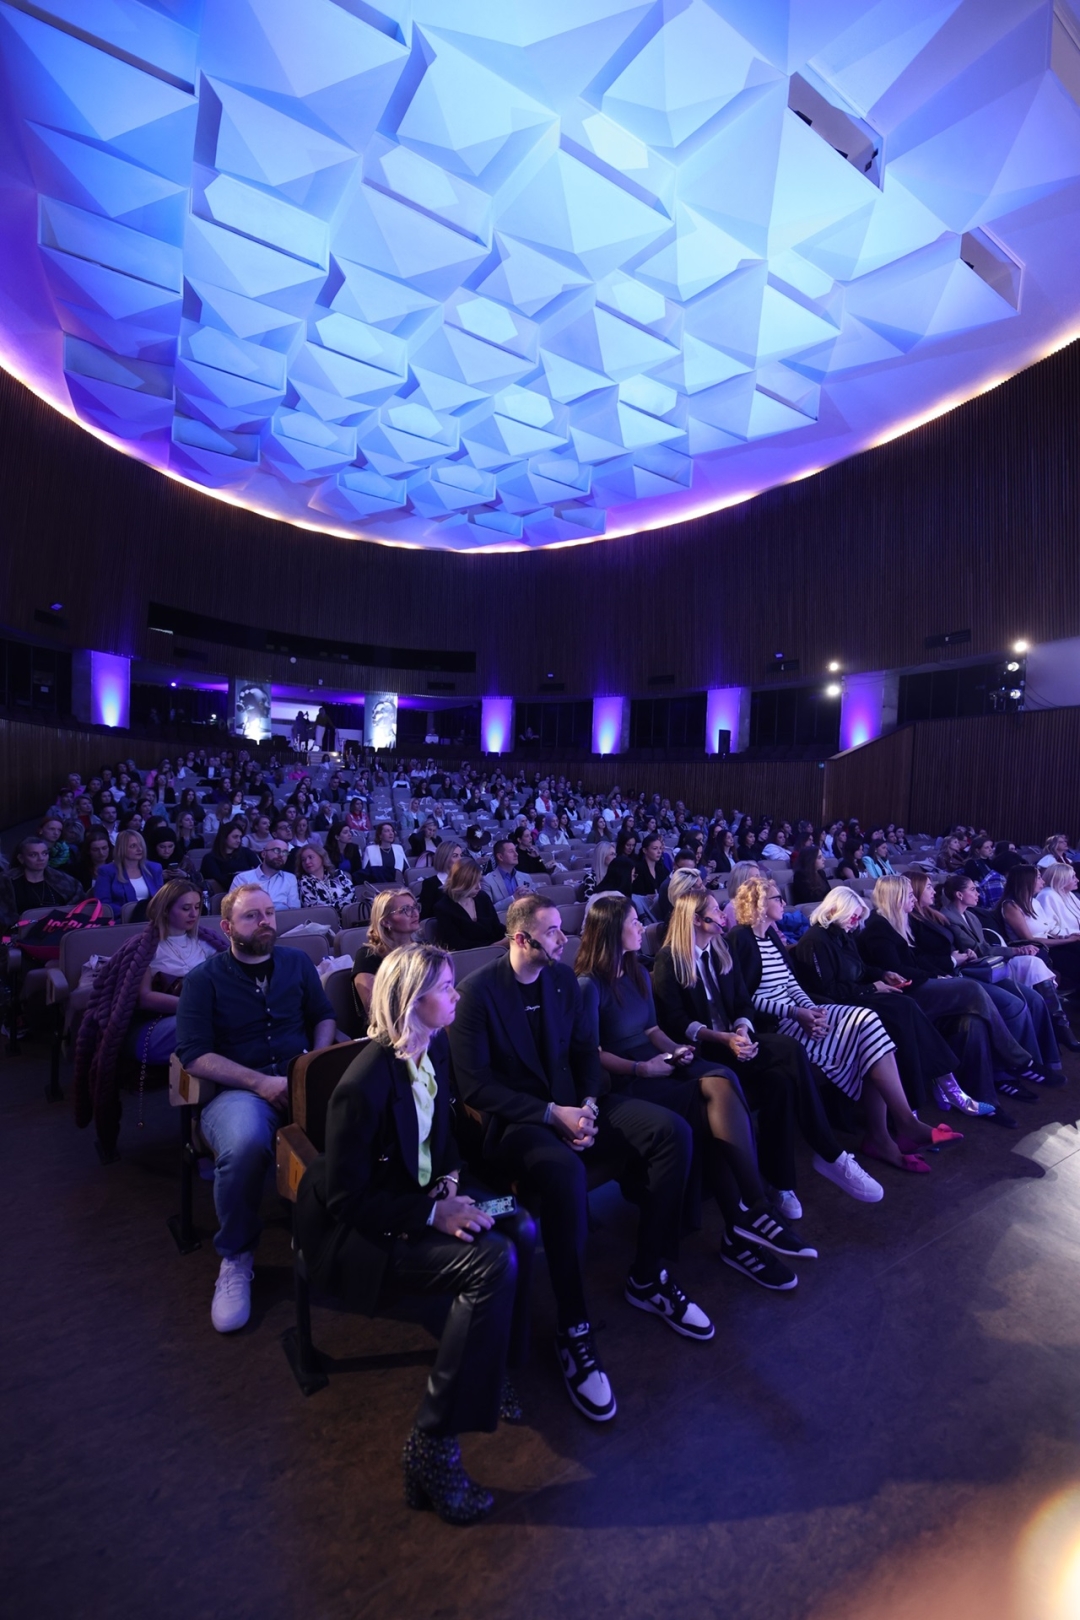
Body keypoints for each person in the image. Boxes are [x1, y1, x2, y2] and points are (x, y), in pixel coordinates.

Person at [297, 944, 536, 1524]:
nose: (457, 994)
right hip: (368, 1228)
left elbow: (444, 1135)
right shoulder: (363, 1085)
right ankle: (431, 1445)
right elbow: (348, 1199)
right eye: (446, 987)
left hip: (431, 1193)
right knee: (491, 1262)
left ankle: (494, 1362)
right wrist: (434, 1215)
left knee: (520, 1222)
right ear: (411, 1001)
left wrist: (452, 1182)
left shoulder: (435, 1047)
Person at [449, 893, 710, 1423]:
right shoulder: (476, 995)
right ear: (521, 939)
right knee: (566, 1173)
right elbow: (476, 1088)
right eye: (550, 932)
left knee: (673, 1132)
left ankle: (648, 1274)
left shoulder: (565, 981)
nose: (562, 938)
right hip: (518, 1125)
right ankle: (573, 1329)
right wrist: (552, 1115)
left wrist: (588, 1106)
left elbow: (584, 1055)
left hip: (579, 1104)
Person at [578, 895, 815, 1291]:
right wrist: (643, 1066)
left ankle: (745, 1223)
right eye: (633, 923)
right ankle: (750, 1216)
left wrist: (673, 1050)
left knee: (721, 1078)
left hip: (658, 1064)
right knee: (715, 1091)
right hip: (626, 1080)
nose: (641, 928)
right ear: (610, 932)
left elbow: (653, 1031)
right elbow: (590, 1053)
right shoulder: (589, 985)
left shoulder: (636, 971)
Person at [655, 890, 883, 1209]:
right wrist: (725, 1039)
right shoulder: (670, 959)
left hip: (736, 1039)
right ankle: (830, 1153)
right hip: (704, 1051)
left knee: (781, 1082)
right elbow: (677, 1022)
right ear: (695, 919)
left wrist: (742, 1030)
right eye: (716, 911)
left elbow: (741, 1003)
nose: (724, 915)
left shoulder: (720, 950)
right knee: (789, 1050)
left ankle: (781, 1184)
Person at [175, 885, 336, 1333]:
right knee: (245, 1144)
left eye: (269, 913)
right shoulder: (203, 980)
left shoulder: (296, 963)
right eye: (252, 916)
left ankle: (348, 1235)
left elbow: (323, 1016)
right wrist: (261, 1083)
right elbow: (193, 1055)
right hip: (239, 1089)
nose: (265, 921)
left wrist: (311, 1067)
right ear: (227, 927)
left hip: (299, 1076)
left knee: (361, 1116)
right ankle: (236, 1257)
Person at [729, 876, 949, 1172]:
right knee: (868, 1021)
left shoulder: (772, 937)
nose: (782, 903)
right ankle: (896, 1128)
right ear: (758, 904)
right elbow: (745, 998)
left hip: (798, 1013)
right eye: (776, 899)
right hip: (774, 1025)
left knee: (870, 1025)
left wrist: (813, 1011)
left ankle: (893, 1129)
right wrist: (799, 1015)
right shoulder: (740, 939)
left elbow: (793, 985)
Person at [792, 886, 991, 1116]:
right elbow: (825, 990)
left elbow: (860, 968)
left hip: (859, 995)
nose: (856, 922)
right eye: (854, 916)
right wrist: (872, 987)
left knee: (906, 1009)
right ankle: (930, 1099)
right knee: (902, 1014)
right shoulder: (814, 941)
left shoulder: (842, 933)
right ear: (836, 910)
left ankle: (941, 1092)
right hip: (840, 1005)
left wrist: (882, 974)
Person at [863, 876, 1039, 1115]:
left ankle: (985, 1097)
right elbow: (898, 971)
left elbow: (917, 961)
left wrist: (936, 974)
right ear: (897, 897)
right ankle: (1015, 1056)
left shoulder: (900, 921)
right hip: (907, 995)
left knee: (973, 1022)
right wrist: (935, 977)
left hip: (921, 984)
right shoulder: (879, 926)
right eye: (910, 895)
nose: (914, 899)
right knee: (971, 988)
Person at [72, 881, 225, 1151]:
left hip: (203, 1020)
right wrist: (194, 1005)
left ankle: (212, 1124)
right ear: (165, 910)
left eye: (198, 907)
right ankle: (205, 1131)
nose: (193, 914)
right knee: (201, 1026)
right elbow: (144, 998)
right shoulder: (145, 947)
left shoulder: (208, 942)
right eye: (185, 908)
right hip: (152, 1026)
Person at [941, 872, 1078, 1054]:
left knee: (1034, 966)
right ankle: (1056, 1033)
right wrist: (1015, 950)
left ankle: (1059, 1029)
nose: (978, 894)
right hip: (977, 968)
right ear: (959, 895)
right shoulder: (949, 917)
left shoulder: (971, 916)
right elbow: (977, 948)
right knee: (1033, 966)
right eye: (973, 890)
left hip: (992, 960)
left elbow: (984, 946)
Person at [1000, 864, 1080, 993]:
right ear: (1026, 880)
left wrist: (1068, 937)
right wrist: (1068, 940)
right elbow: (1030, 940)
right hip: (1035, 949)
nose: (1043, 881)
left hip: (1048, 945)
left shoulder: (1034, 902)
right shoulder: (1011, 906)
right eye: (1038, 878)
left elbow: (1048, 930)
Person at [352, 888, 422, 1025]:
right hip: (390, 1030)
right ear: (385, 922)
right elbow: (375, 1011)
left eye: (415, 907)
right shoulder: (368, 956)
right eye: (405, 910)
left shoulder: (423, 949)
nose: (414, 913)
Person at [0, 835, 85, 929]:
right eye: (33, 855)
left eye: (45, 853)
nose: (41, 858)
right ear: (21, 858)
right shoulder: (6, 881)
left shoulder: (64, 881)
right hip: (18, 933)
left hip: (57, 931)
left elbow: (79, 905)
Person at [433, 858, 504, 951]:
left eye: (479, 881)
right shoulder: (444, 908)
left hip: (496, 952)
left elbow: (497, 928)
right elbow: (455, 945)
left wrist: (512, 935)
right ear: (461, 882)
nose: (479, 887)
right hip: (469, 959)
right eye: (473, 883)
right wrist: (495, 946)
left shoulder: (483, 898)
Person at [93, 830, 163, 911]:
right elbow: (103, 904)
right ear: (121, 848)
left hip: (151, 917)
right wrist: (129, 912)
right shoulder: (106, 871)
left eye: (141, 845)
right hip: (122, 920)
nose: (140, 849)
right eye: (133, 846)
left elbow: (161, 899)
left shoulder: (154, 868)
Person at [228, 839, 301, 912]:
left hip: (282, 921)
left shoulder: (290, 878)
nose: (281, 855)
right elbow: (232, 910)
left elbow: (294, 910)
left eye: (285, 852)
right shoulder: (242, 878)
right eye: (276, 850)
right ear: (263, 854)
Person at [481, 839, 539, 915]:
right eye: (511, 851)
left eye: (515, 850)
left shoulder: (525, 877)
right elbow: (488, 910)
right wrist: (513, 898)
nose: (516, 854)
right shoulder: (487, 880)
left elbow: (538, 903)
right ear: (500, 857)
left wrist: (533, 896)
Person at [297, 843, 355, 917]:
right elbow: (314, 910)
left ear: (322, 857)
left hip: (350, 917)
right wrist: (342, 905)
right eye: (303, 860)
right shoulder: (303, 882)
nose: (307, 862)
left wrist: (331, 907)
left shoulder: (338, 874)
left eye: (310, 857)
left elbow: (352, 896)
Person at [416, 838, 462, 920]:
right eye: (455, 856)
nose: (460, 859)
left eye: (460, 855)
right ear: (444, 858)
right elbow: (425, 916)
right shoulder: (430, 884)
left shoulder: (465, 879)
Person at [201, 821, 253, 891]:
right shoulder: (210, 858)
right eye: (235, 837)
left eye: (240, 837)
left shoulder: (247, 852)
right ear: (224, 837)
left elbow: (260, 869)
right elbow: (219, 881)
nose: (239, 840)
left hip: (251, 889)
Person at [73, 829, 114, 895]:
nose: (101, 853)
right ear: (88, 851)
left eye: (104, 848)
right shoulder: (78, 871)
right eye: (95, 849)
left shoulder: (117, 867)